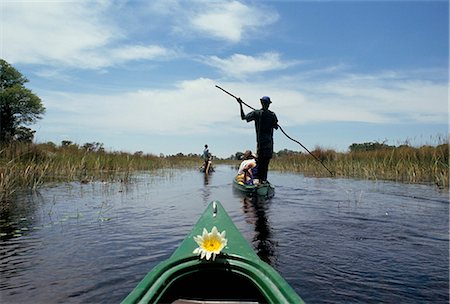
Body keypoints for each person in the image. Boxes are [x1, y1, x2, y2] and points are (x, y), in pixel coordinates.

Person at [237, 96, 278, 183]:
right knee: (264, 163)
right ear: (268, 104)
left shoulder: (257, 113)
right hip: (268, 144)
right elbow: (276, 126)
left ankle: (259, 180)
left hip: (262, 144)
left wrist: (240, 104)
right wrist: (240, 104)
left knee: (261, 162)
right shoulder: (271, 115)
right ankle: (262, 180)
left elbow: (243, 117)